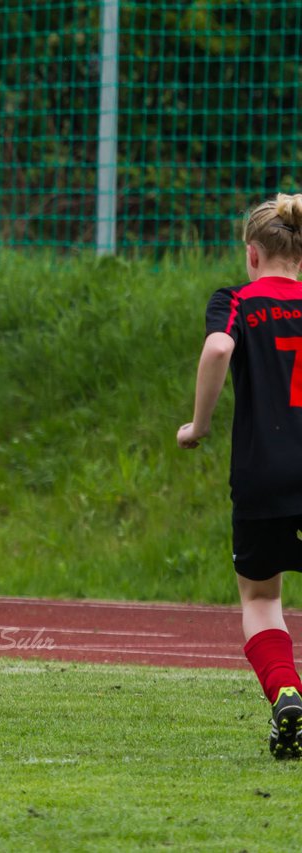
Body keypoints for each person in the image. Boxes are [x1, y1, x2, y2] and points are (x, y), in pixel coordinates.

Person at [178, 192, 302, 758]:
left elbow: (219, 346)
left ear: (252, 254)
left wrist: (198, 425)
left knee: (259, 597)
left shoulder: (238, 301)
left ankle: (286, 692)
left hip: (263, 475)